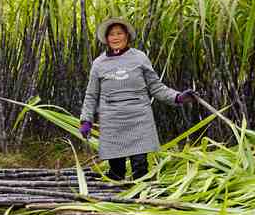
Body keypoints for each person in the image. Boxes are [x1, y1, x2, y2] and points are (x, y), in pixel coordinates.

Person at [79, 17, 196, 181]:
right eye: (111, 34)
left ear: (127, 36)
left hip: (138, 118)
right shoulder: (99, 63)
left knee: (140, 168)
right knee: (116, 172)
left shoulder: (139, 58)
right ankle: (115, 199)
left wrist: (177, 97)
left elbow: (156, 87)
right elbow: (91, 95)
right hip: (112, 120)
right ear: (106, 39)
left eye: (119, 33)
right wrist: (86, 120)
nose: (115, 37)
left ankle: (142, 198)